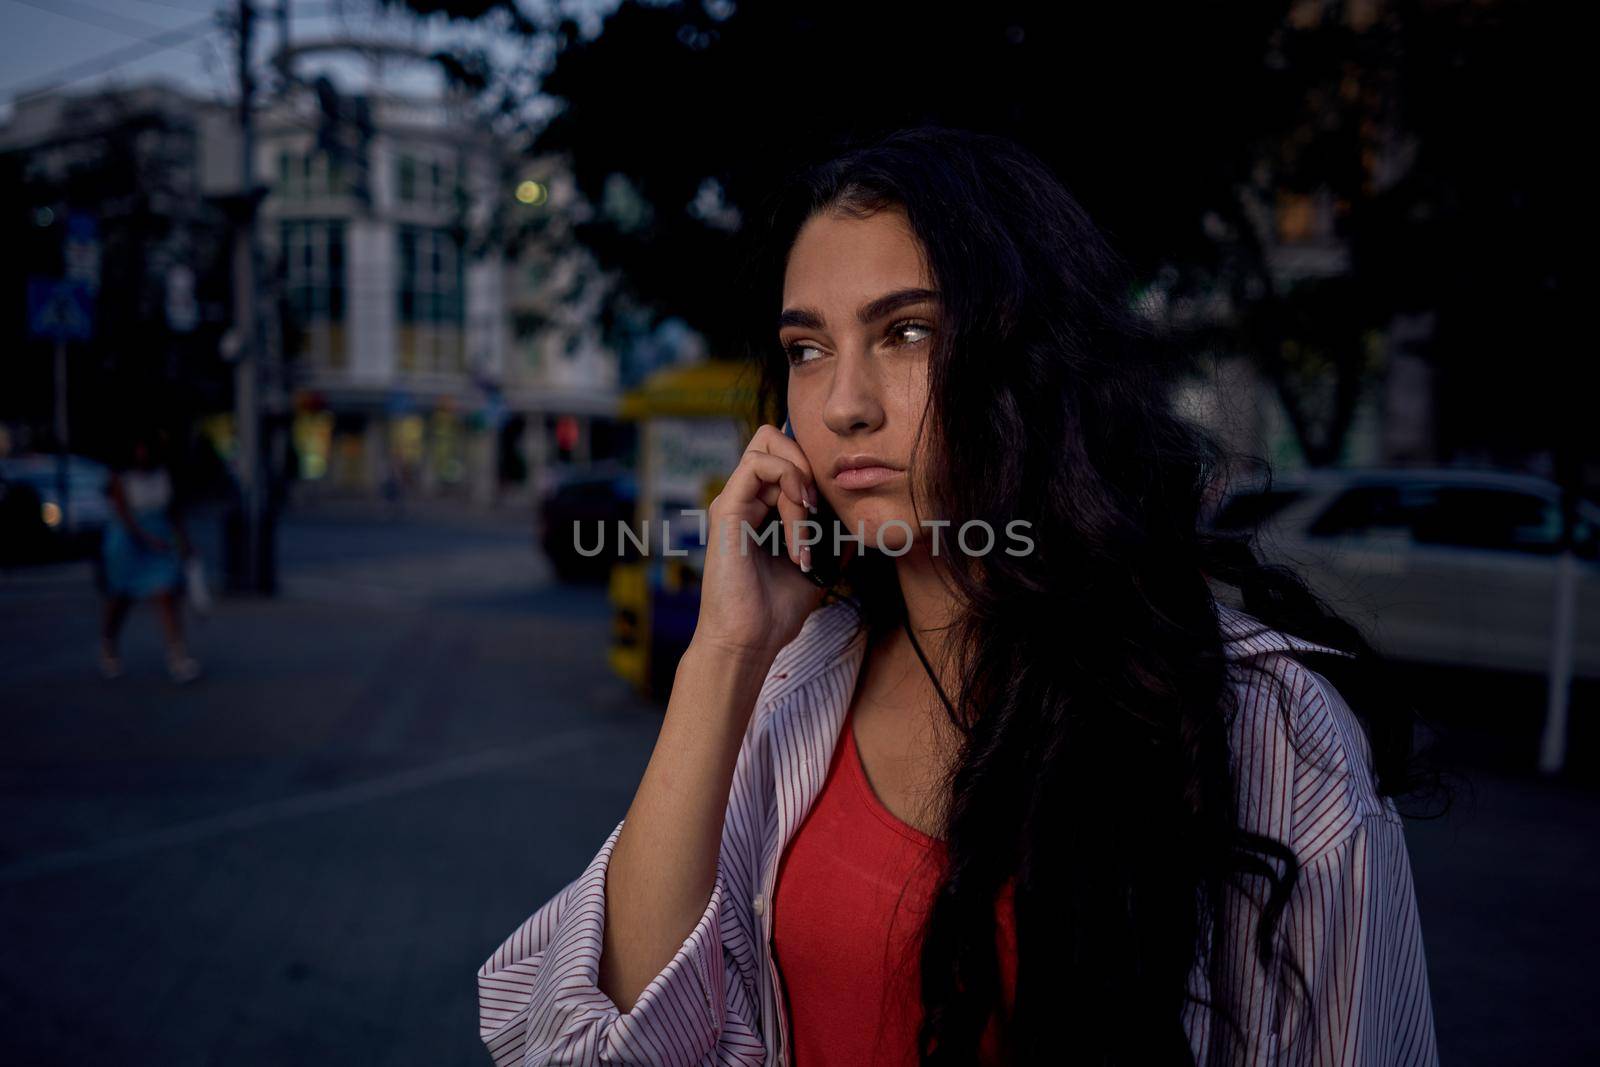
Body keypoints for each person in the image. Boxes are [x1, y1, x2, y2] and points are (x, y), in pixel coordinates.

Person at [477, 127, 1439, 1066]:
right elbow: (603, 1041)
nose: (845, 402)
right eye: (808, 349)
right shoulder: (791, 691)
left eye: (905, 332)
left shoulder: (1265, 727)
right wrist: (724, 653)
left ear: (1033, 360)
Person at [98, 428, 201, 684]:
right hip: (129, 543)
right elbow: (124, 516)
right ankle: (109, 644)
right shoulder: (122, 479)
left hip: (160, 540)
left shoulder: (164, 476)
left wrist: (185, 543)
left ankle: (177, 656)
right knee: (121, 598)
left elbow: (174, 514)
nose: (142, 453)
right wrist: (147, 539)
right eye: (138, 448)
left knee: (166, 594)